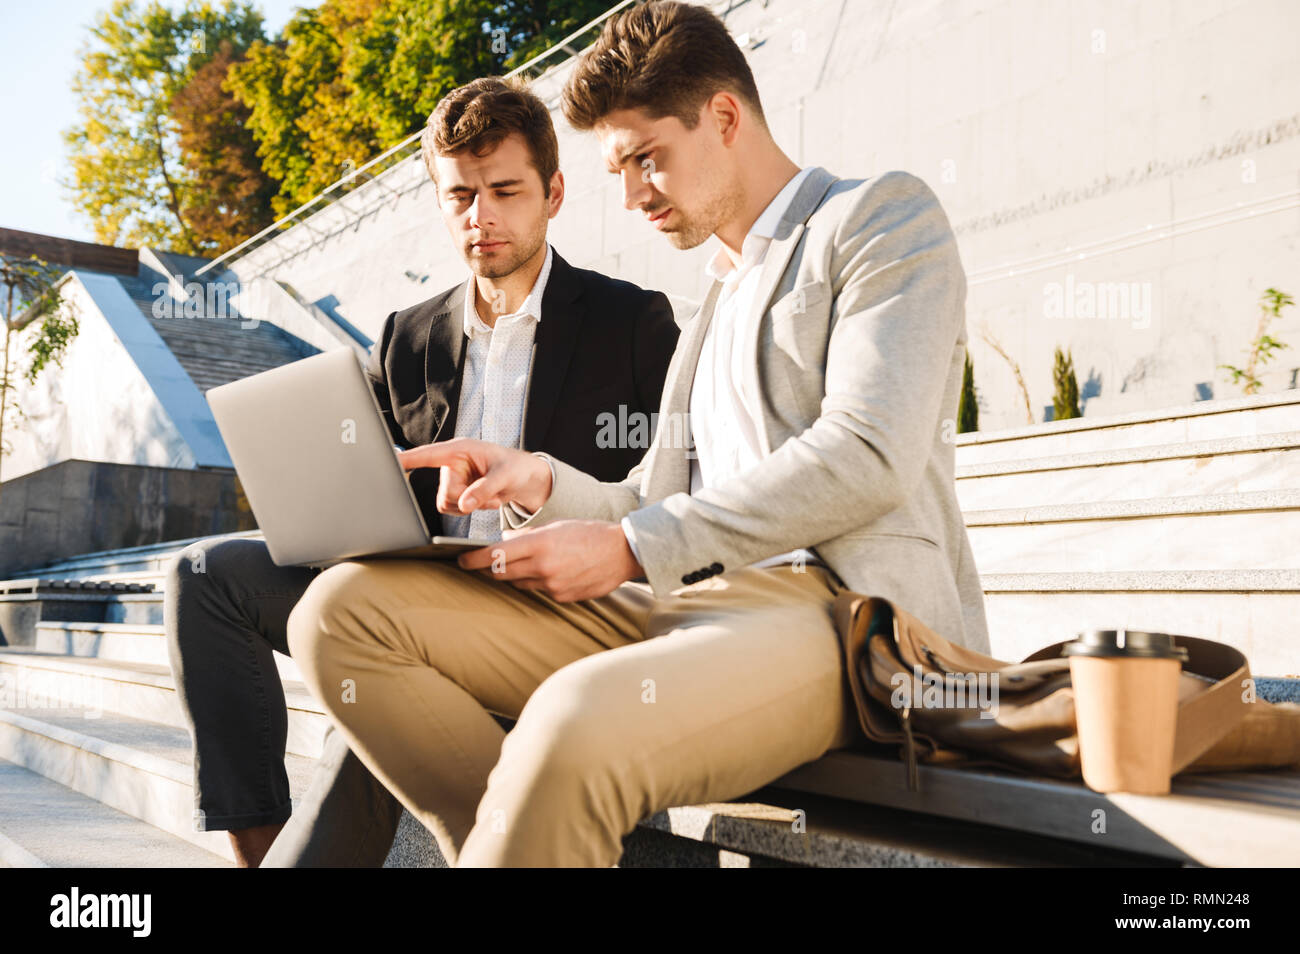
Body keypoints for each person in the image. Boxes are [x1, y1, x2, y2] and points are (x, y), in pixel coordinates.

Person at [285, 0, 990, 867]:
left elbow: (867, 455)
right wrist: (536, 480)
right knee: (339, 614)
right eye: (618, 169)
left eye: (644, 160)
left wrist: (630, 544)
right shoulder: (714, 300)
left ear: (724, 117)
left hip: (845, 622)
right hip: (685, 607)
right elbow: (647, 499)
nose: (629, 196)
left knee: (568, 722)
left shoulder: (877, 220)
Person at [164, 75, 679, 867]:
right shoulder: (409, 334)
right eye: (460, 196)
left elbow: (672, 499)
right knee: (205, 574)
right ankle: (259, 851)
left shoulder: (632, 322)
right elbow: (368, 478)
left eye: (505, 190)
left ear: (555, 192)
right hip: (420, 576)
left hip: (545, 608)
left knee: (379, 653)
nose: (482, 217)